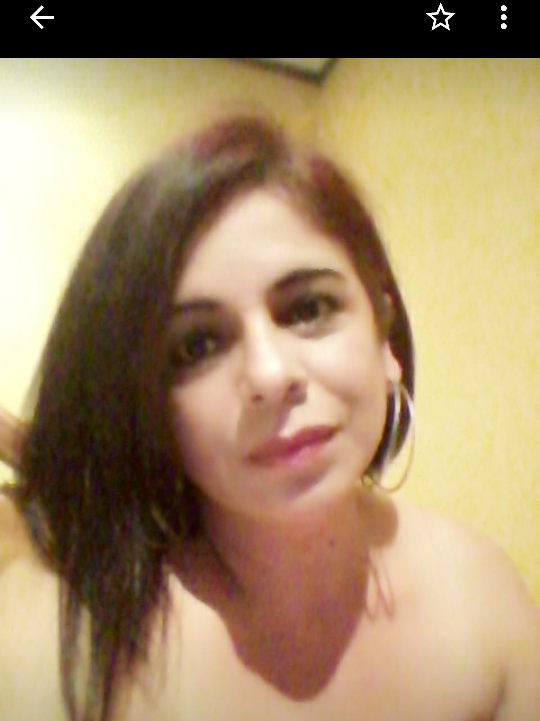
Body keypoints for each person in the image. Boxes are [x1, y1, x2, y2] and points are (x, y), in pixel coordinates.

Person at [0, 114, 539, 721]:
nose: (270, 373)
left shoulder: (484, 598)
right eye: (197, 345)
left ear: (384, 337)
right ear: (147, 402)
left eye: (308, 308)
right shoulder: (54, 652)